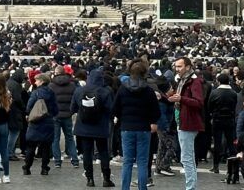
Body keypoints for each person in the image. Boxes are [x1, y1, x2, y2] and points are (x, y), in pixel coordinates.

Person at [115, 61, 160, 190]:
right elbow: (156, 111)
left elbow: (115, 108)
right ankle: (142, 188)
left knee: (127, 162)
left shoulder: (122, 89)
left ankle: (125, 188)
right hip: (144, 128)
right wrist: (152, 121)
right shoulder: (148, 90)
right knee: (142, 162)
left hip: (127, 127)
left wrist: (123, 117)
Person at [71, 68, 115, 187]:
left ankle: (89, 179)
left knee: (87, 153)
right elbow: (111, 110)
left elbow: (73, 108)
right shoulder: (106, 91)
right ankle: (106, 178)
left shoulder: (79, 90)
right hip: (100, 126)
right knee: (103, 152)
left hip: (84, 126)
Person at [169, 57, 204, 190]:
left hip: (188, 122)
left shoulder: (194, 82)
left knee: (187, 158)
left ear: (188, 67)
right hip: (183, 121)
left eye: (180, 66)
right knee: (188, 157)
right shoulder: (183, 81)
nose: (177, 69)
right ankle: (191, 186)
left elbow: (198, 102)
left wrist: (181, 98)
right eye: (176, 66)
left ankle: (190, 187)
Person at [23, 71, 58, 176]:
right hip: (48, 122)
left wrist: (28, 114)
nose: (35, 82)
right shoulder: (51, 93)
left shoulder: (36, 93)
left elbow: (29, 106)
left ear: (42, 81)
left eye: (37, 80)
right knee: (46, 147)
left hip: (36, 122)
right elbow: (55, 109)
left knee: (31, 147)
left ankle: (27, 167)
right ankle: (44, 168)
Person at [207, 72, 238, 174]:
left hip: (217, 119)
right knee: (231, 143)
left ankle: (215, 166)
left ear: (218, 81)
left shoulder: (214, 92)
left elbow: (209, 107)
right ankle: (233, 167)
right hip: (230, 119)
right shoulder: (234, 93)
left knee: (217, 143)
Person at [50, 65, 80, 168]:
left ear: (56, 73)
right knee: (70, 138)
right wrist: (73, 111)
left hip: (55, 115)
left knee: (55, 139)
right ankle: (75, 160)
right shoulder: (72, 85)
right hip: (67, 114)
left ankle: (57, 161)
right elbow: (76, 99)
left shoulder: (51, 85)